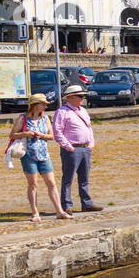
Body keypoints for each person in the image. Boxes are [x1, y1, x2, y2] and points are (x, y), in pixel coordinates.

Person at [9, 94, 72, 222]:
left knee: (52, 183)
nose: (46, 106)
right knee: (33, 184)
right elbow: (12, 135)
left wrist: (41, 135)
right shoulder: (23, 118)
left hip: (44, 154)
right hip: (28, 155)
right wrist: (25, 134)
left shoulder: (45, 119)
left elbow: (51, 136)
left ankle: (59, 211)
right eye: (43, 104)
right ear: (36, 105)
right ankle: (35, 212)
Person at [54, 85, 103, 213]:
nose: (82, 98)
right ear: (70, 97)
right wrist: (68, 147)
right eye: (79, 96)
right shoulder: (62, 111)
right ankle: (66, 205)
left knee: (84, 178)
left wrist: (91, 143)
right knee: (68, 178)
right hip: (72, 149)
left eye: (83, 96)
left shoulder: (83, 110)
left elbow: (89, 127)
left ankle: (86, 203)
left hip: (85, 148)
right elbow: (57, 131)